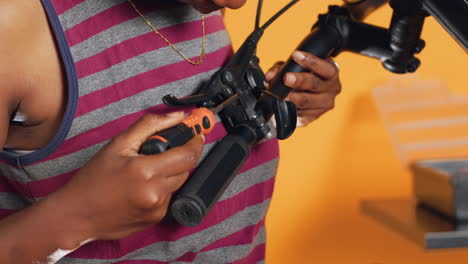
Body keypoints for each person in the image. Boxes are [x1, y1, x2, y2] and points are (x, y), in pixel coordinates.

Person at [0, 0, 341, 263]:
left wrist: (271, 110)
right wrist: (75, 218)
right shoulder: (12, 26)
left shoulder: (200, 5)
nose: (237, 3)